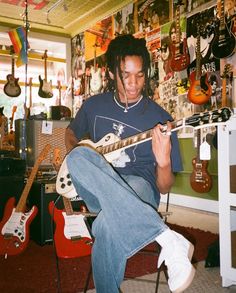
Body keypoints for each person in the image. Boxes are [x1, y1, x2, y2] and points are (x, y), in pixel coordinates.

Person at [64, 34, 195, 293]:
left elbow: (165, 187)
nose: (134, 84)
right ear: (112, 73)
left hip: (140, 187)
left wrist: (164, 161)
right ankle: (166, 237)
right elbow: (70, 133)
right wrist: (75, 149)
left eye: (140, 75)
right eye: (126, 74)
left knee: (105, 224)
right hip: (97, 189)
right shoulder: (93, 106)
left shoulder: (161, 119)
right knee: (78, 156)